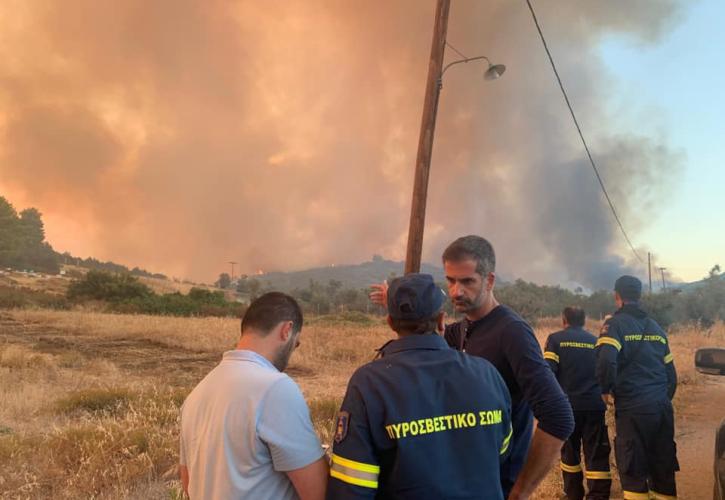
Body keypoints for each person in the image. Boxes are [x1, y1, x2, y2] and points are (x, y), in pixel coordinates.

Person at [370, 236, 574, 499]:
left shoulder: (511, 332)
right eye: (451, 280)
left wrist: (521, 490)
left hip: (498, 483)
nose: (456, 291)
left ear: (489, 281)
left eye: (467, 281)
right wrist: (401, 303)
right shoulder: (465, 327)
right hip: (467, 480)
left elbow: (559, 416)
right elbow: (427, 333)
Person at [328, 273, 513, 499]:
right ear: (442, 320)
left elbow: (352, 485)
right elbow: (502, 451)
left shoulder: (369, 382)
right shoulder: (486, 373)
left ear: (390, 323)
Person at [179, 292, 328, 500]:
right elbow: (318, 492)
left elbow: (188, 483)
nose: (293, 351)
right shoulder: (275, 387)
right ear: (287, 330)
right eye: (297, 344)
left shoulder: (197, 394)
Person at [595, 275, 678, 500]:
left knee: (633, 471)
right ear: (639, 296)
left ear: (617, 296)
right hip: (661, 408)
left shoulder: (614, 325)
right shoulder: (657, 328)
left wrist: (604, 390)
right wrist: (659, 399)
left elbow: (606, 360)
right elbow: (672, 376)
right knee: (663, 470)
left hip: (633, 410)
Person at [544, 307, 611, 500]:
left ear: (564, 319)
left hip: (568, 407)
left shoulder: (555, 339)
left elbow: (548, 372)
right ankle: (598, 495)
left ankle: (573, 494)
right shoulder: (596, 341)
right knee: (596, 452)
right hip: (594, 406)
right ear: (584, 321)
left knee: (570, 454)